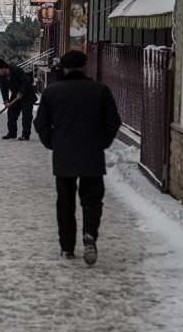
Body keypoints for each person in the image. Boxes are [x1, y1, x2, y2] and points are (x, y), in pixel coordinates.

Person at [33, 50, 121, 265]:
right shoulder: (100, 90)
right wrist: (101, 142)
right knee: (92, 199)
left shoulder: (52, 92)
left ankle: (67, 247)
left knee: (65, 202)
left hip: (64, 155)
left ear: (64, 69)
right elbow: (113, 122)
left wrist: (52, 143)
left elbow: (41, 123)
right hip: (92, 155)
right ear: (84, 68)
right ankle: (89, 233)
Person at [0, 58, 38, 141]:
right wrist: (6, 101)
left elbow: (26, 81)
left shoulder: (16, 70)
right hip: (15, 95)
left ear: (3, 68)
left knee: (26, 116)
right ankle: (12, 133)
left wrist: (21, 92)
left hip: (27, 94)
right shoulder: (2, 76)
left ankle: (25, 135)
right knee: (11, 112)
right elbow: (4, 90)